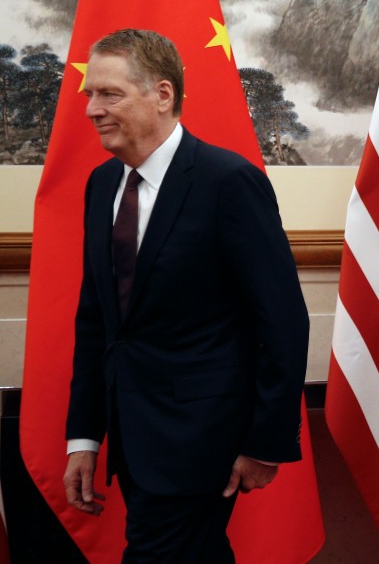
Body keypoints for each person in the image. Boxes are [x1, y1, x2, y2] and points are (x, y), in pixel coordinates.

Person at [62, 29, 309, 562]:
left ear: (163, 94)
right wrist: (84, 438)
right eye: (89, 95)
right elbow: (97, 321)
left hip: (203, 440)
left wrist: (266, 442)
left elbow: (282, 321)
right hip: (131, 440)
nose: (91, 110)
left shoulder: (228, 182)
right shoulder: (102, 185)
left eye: (109, 94)